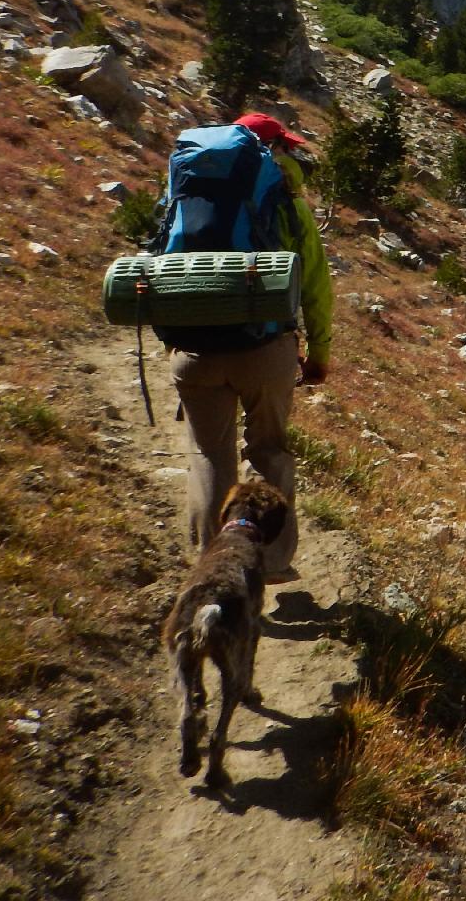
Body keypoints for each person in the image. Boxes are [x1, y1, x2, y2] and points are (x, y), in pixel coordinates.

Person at [171, 112, 332, 581]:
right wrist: (318, 353)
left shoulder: (187, 193)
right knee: (269, 452)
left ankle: (213, 564)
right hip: (265, 347)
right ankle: (273, 562)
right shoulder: (288, 205)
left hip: (194, 348)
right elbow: (316, 287)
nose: (291, 153)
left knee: (207, 454)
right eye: (284, 146)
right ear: (269, 153)